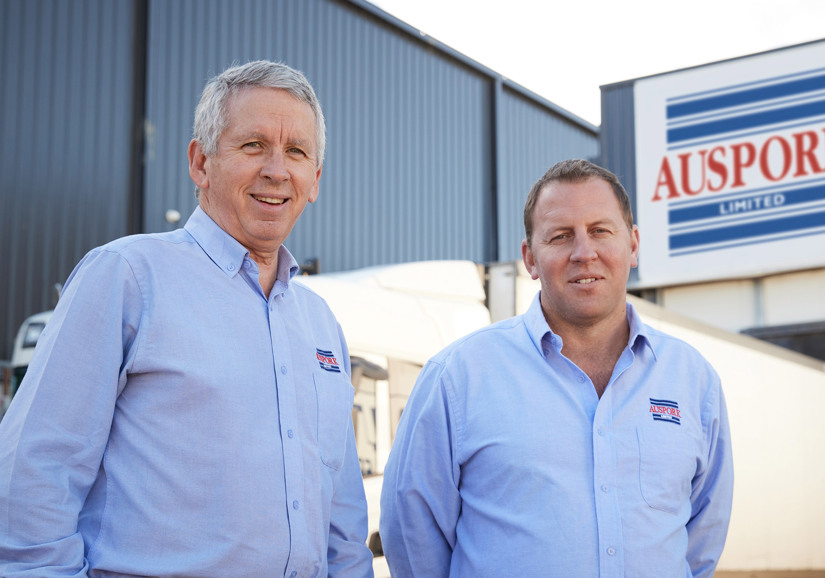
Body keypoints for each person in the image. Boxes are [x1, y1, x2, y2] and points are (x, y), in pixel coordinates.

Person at [0, 60, 373, 577]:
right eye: (252, 145)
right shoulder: (127, 277)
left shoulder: (320, 323)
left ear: (315, 180)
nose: (276, 169)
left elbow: (343, 519)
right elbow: (33, 479)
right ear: (200, 162)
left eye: (296, 152)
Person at [380, 159, 734, 577]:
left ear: (633, 245)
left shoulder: (693, 381)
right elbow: (410, 536)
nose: (585, 253)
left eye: (601, 231)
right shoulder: (458, 377)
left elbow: (700, 542)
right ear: (530, 258)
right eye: (561, 236)